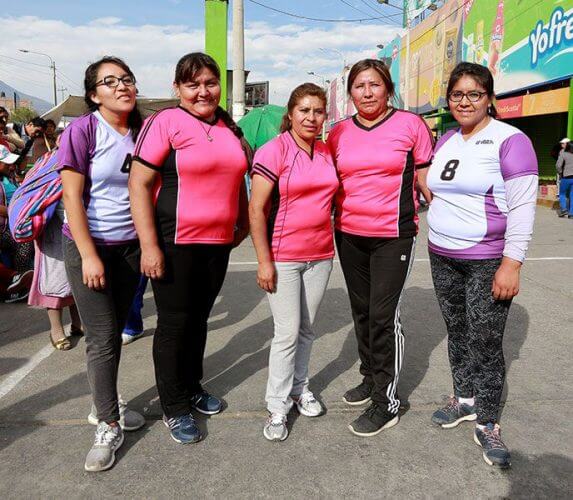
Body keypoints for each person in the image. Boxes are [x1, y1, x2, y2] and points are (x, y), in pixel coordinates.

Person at [418, 62, 537, 468]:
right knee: (456, 331)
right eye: (457, 95)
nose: (464, 102)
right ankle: (464, 399)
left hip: (487, 260)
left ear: (490, 99)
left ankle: (487, 421)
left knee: (485, 341)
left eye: (474, 94)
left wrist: (512, 263)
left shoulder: (511, 140)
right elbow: (435, 186)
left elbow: (522, 208)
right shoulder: (448, 139)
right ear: (448, 100)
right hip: (442, 254)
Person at [129, 52, 250, 445]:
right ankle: (174, 405)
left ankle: (193, 385)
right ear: (177, 88)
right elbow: (139, 185)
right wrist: (149, 246)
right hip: (175, 241)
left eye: (210, 83)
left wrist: (243, 224)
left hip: (217, 245)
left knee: (198, 319)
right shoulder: (164, 122)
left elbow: (237, 181)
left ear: (220, 86)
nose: (203, 91)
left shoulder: (229, 128)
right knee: (174, 324)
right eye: (192, 84)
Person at [327, 59, 434, 437]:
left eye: (374, 85)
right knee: (361, 311)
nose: (367, 93)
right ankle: (370, 378)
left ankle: (386, 402)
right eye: (359, 86)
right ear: (350, 92)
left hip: (393, 235)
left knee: (383, 316)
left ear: (388, 89)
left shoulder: (411, 125)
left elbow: (426, 179)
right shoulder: (337, 133)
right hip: (349, 233)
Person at [59, 56, 145, 472]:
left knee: (115, 331)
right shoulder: (83, 130)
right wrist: (89, 254)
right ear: (94, 95)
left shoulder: (143, 131)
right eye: (109, 82)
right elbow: (71, 197)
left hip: (130, 247)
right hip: (89, 245)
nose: (121, 86)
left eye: (126, 79)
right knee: (103, 336)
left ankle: (106, 403)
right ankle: (107, 423)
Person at [249, 83, 339, 442]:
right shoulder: (274, 151)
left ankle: (300, 389)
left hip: (321, 255)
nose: (311, 118)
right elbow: (256, 208)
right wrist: (264, 261)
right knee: (286, 333)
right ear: (291, 113)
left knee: (306, 328)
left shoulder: (326, 151)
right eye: (304, 110)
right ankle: (277, 406)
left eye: (318, 111)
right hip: (283, 256)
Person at [27, 132, 83, 351]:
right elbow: (42, 198)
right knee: (55, 281)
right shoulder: (48, 167)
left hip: (76, 229)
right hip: (53, 234)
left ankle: (78, 324)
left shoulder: (80, 161)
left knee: (77, 279)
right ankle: (56, 329)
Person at [0, 144, 34, 291]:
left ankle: (22, 280)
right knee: (22, 240)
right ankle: (18, 279)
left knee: (24, 237)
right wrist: (15, 212)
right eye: (6, 163)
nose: (11, 166)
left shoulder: (8, 178)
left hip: (5, 228)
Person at [556, 141, 573, 218]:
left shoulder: (563, 153)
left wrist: (560, 172)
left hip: (566, 177)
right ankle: (571, 213)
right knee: (572, 195)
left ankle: (564, 209)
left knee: (562, 193)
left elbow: (558, 165)